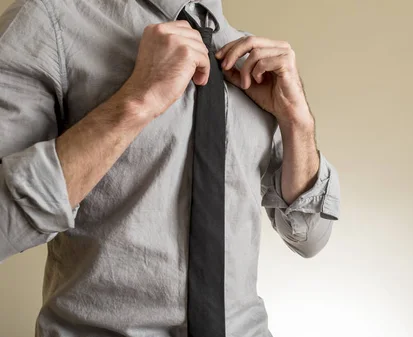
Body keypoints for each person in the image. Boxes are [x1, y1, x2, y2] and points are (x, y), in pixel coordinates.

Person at [0, 0, 340, 336]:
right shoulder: (50, 21)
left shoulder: (253, 63)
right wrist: (137, 99)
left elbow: (309, 238)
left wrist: (299, 123)